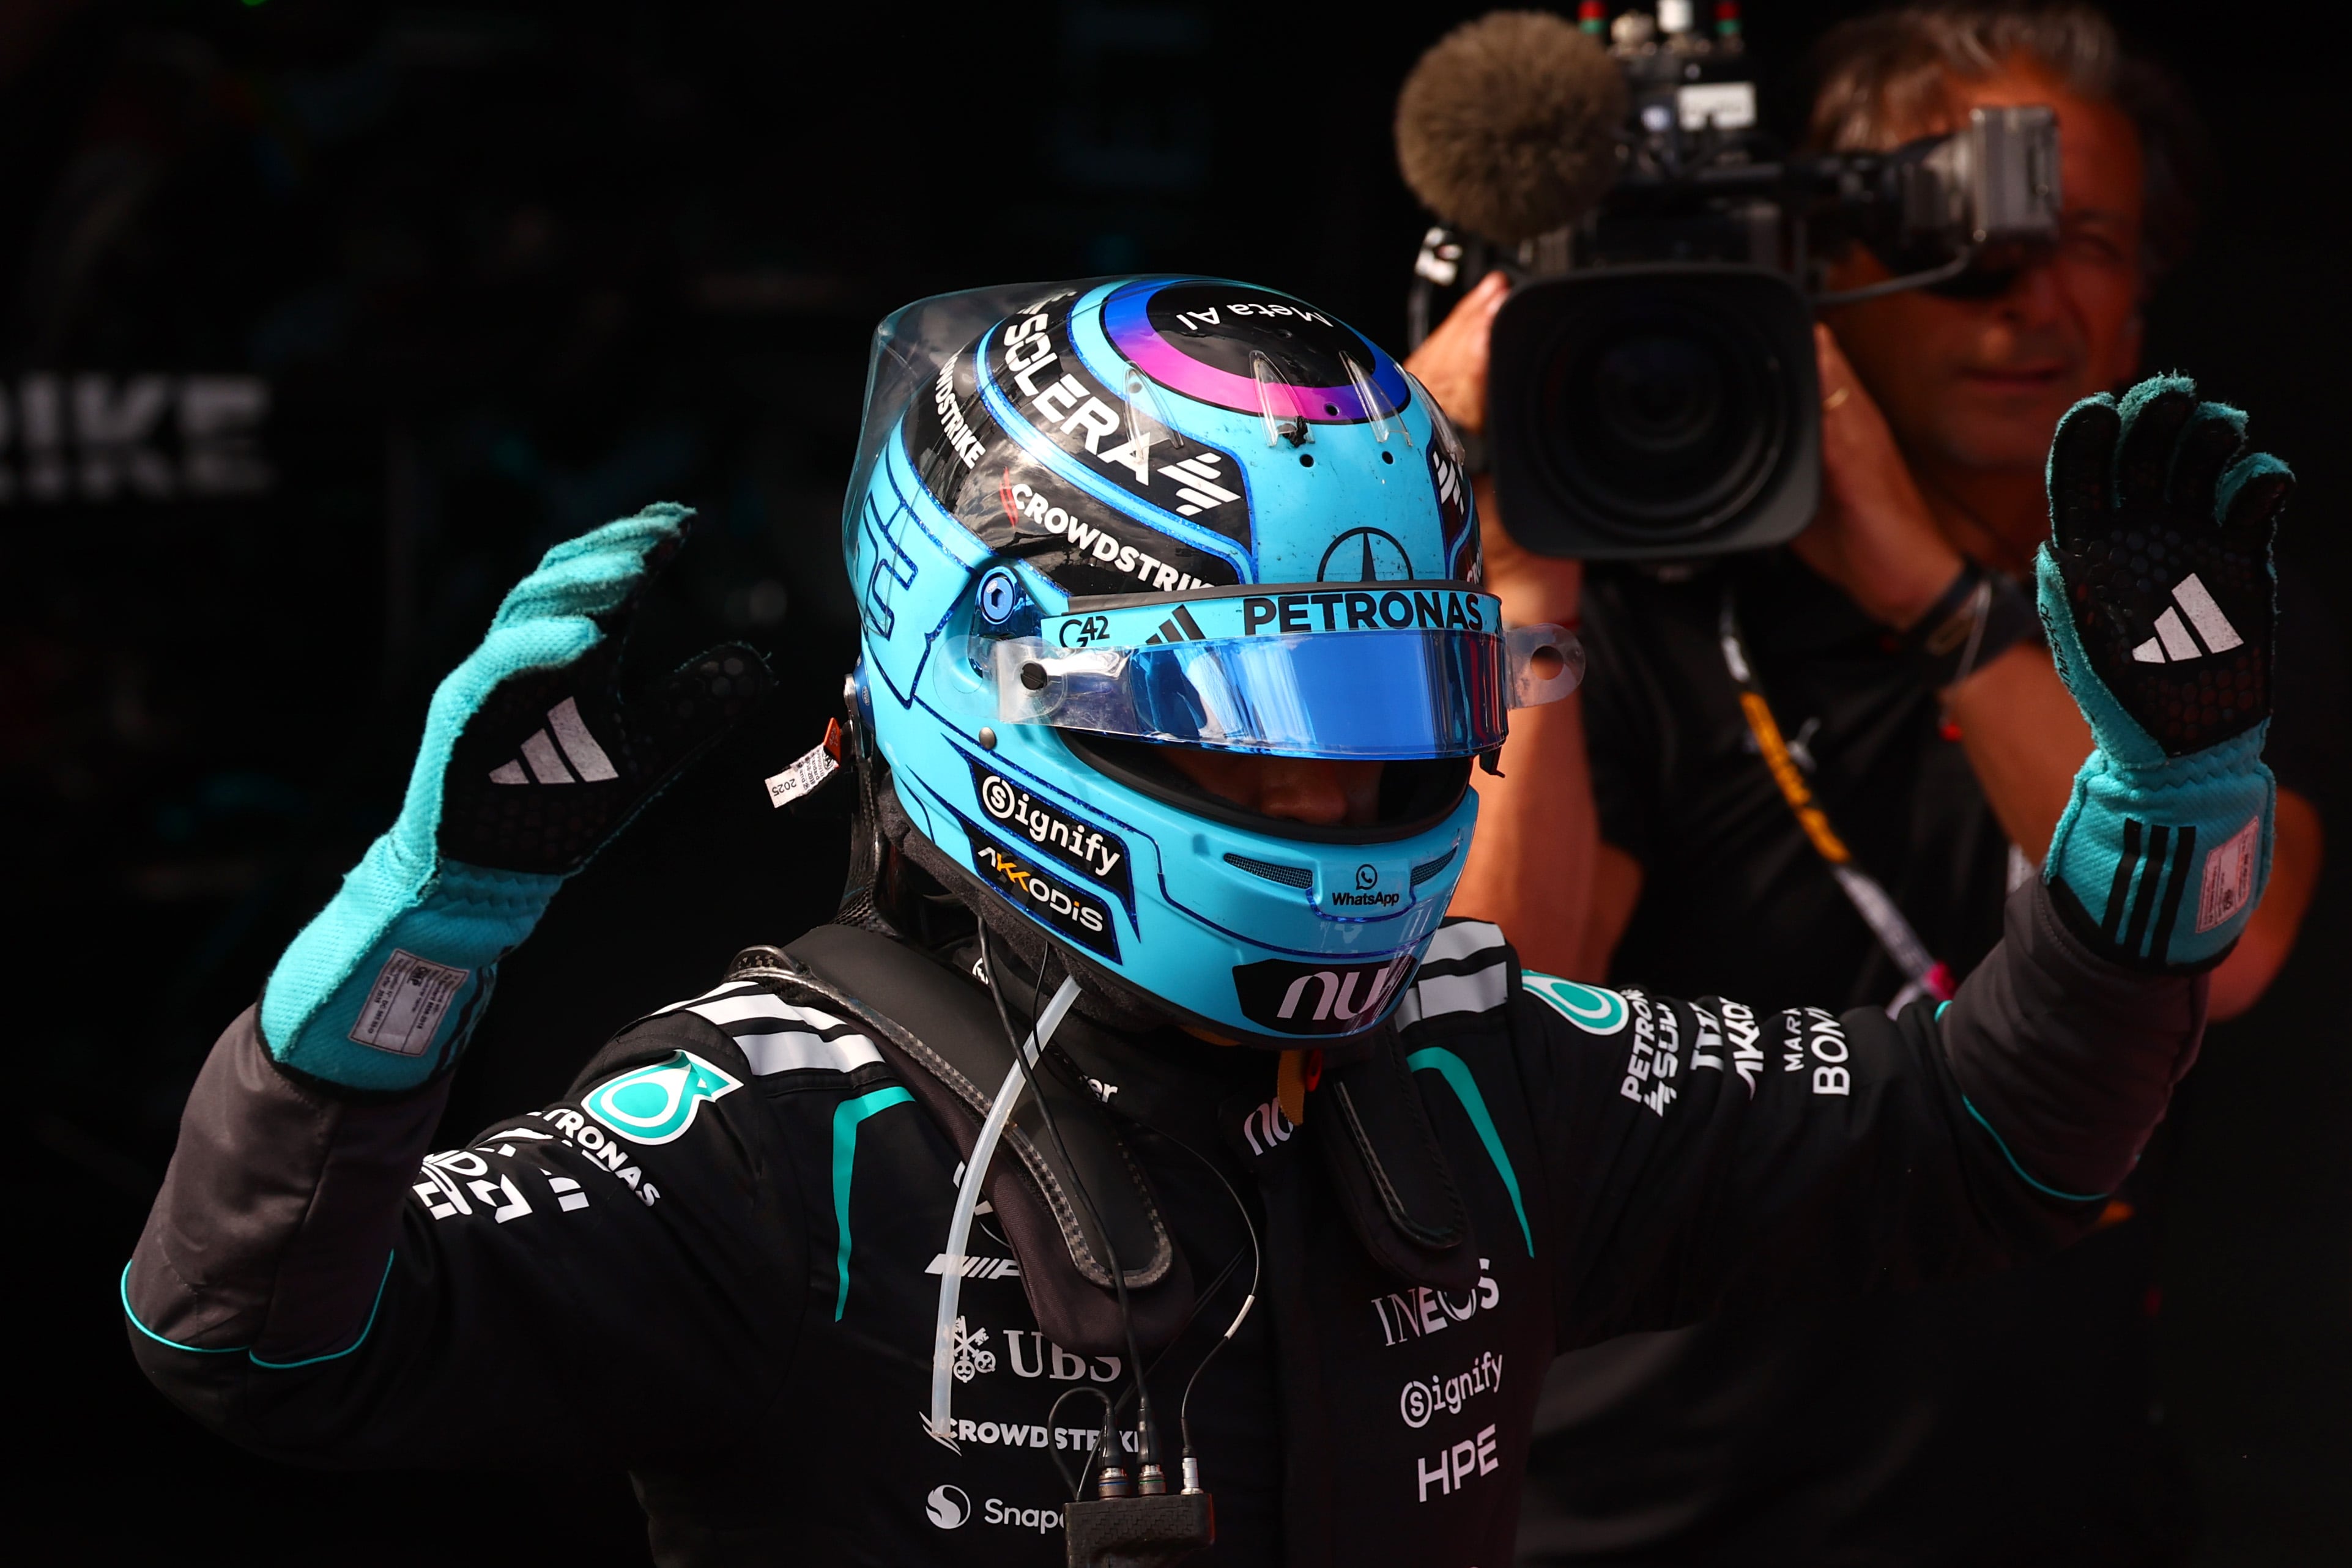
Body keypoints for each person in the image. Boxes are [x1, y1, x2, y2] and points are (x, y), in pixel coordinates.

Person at [124, 276, 2285, 1567]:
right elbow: (255, 1339)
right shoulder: (781, 1126)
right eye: (1255, 723)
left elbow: (1997, 1138)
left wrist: (2164, 796)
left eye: (1394, 712)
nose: (1340, 799)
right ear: (998, 679)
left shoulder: (1470, 1051)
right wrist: (427, 919)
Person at [1403, 6, 2341, 1564]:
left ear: (2151, 284)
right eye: (1960, 253)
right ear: (1820, 274)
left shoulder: (2202, 610)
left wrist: (1929, 592)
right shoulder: (1638, 621)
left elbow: (2226, 944)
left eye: (2085, 241)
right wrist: (1522, 591)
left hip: (2059, 1513)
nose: (2025, 301)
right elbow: (1501, 1026)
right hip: (1637, 1521)